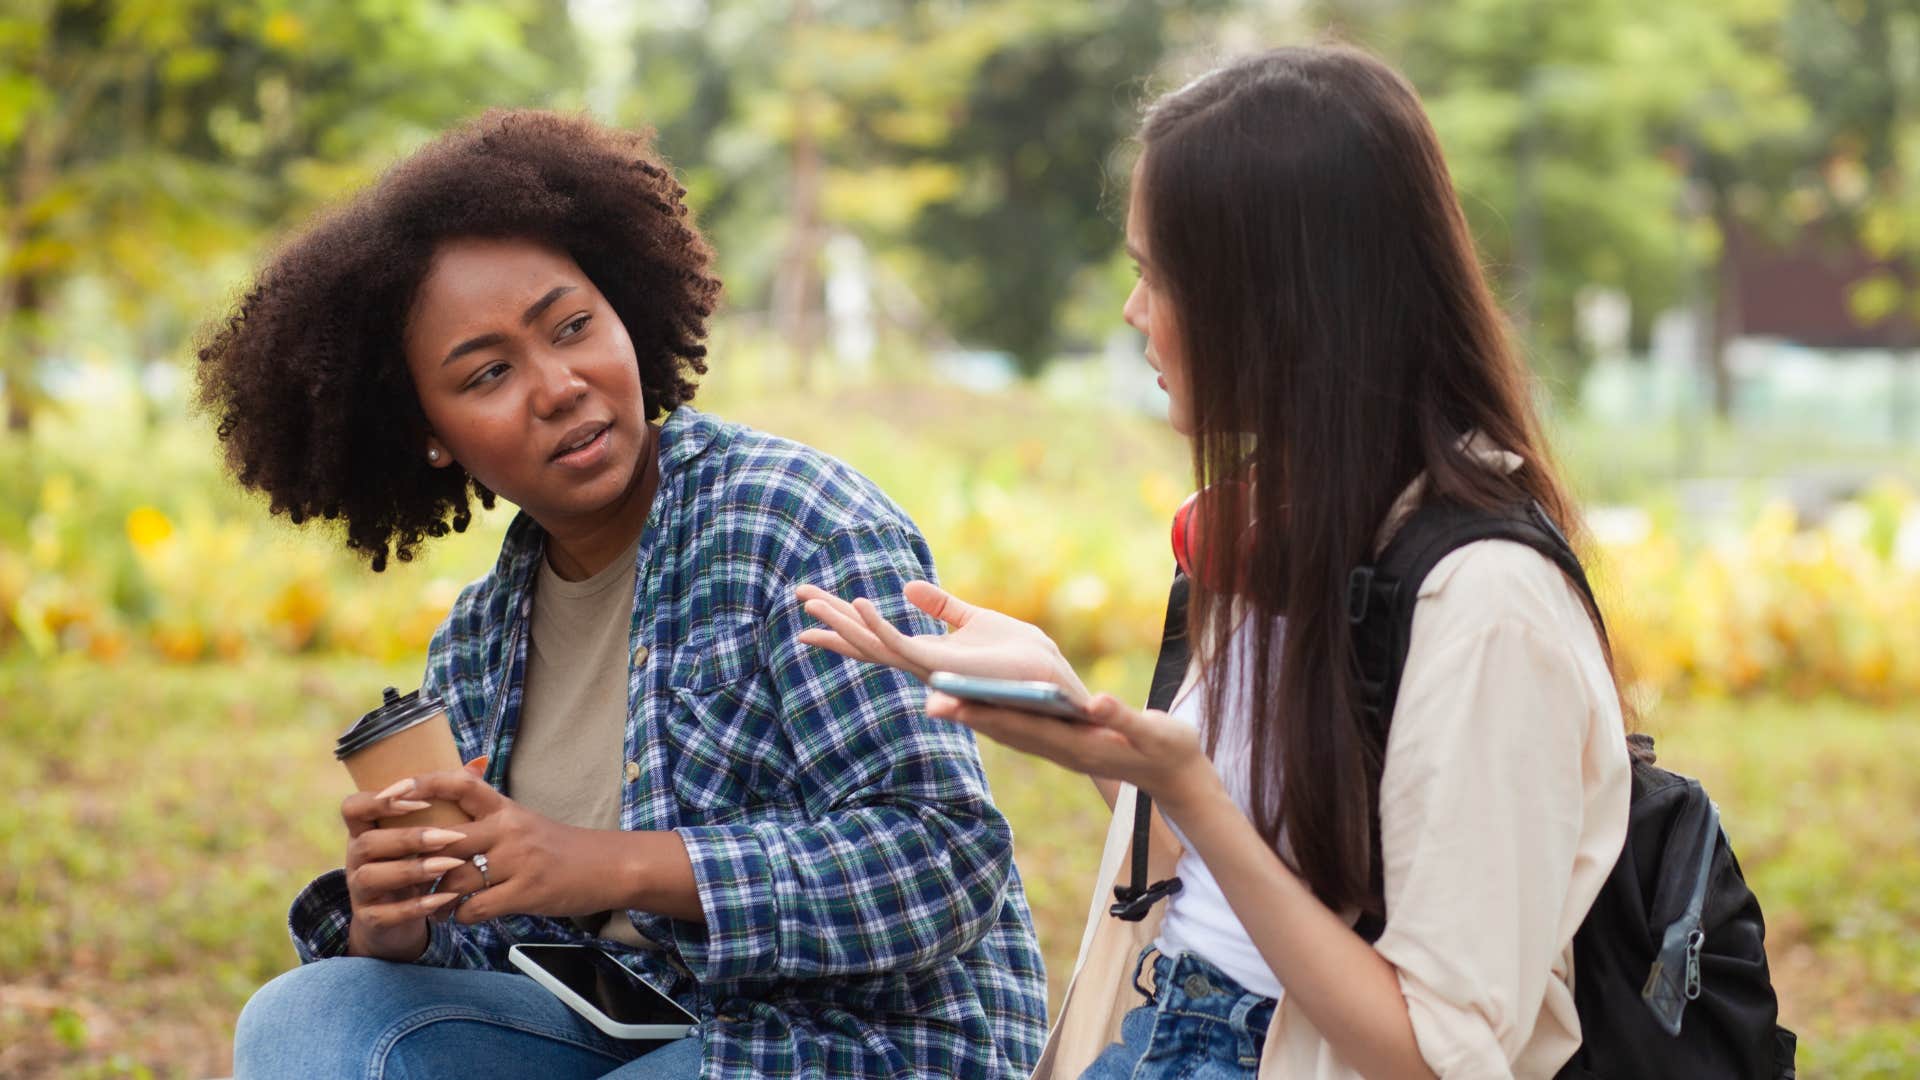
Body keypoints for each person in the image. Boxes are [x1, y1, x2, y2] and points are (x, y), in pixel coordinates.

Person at [796, 45, 1631, 1080]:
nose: (1133, 313)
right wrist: (1079, 715)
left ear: (1280, 303)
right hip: (1160, 1031)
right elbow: (1241, 879)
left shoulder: (1489, 604)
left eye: (1157, 276)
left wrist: (1186, 791)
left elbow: (1431, 1053)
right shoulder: (1285, 529)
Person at [203, 110, 1046, 1079]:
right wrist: (403, 931)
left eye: (572, 327)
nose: (558, 385)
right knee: (305, 1017)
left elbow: (942, 863)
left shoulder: (794, 524)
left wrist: (617, 863)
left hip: (850, 1048)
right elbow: (522, 952)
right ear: (426, 433)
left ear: (626, 310)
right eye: (487, 374)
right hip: (628, 1039)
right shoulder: (480, 642)